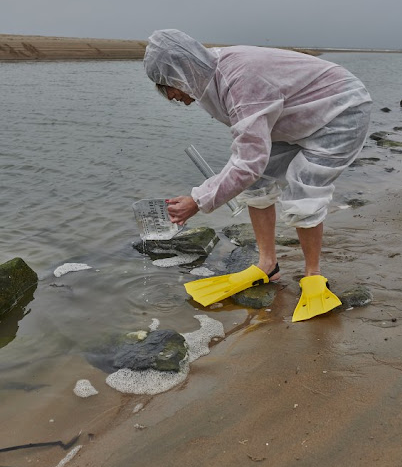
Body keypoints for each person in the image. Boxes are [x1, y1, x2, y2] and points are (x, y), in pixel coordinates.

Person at [143, 29, 371, 282]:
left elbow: (248, 162)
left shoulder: (238, 81)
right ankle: (267, 264)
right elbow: (249, 156)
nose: (171, 96)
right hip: (293, 115)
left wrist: (198, 200)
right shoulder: (209, 76)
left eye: (168, 85)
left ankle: (313, 274)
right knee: (257, 182)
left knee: (305, 190)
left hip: (340, 109)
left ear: (184, 69)